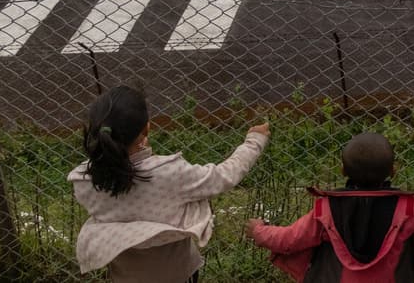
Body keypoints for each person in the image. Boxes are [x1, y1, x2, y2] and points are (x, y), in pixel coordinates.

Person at [69, 85, 269, 283]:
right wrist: (254, 140)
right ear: (147, 127)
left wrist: (139, 153)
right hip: (177, 273)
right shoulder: (170, 173)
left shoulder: (84, 180)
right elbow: (224, 176)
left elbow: (125, 176)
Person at [246, 132, 414, 281]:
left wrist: (259, 230)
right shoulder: (409, 207)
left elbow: (288, 240)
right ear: (393, 170)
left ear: (343, 170)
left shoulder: (326, 208)